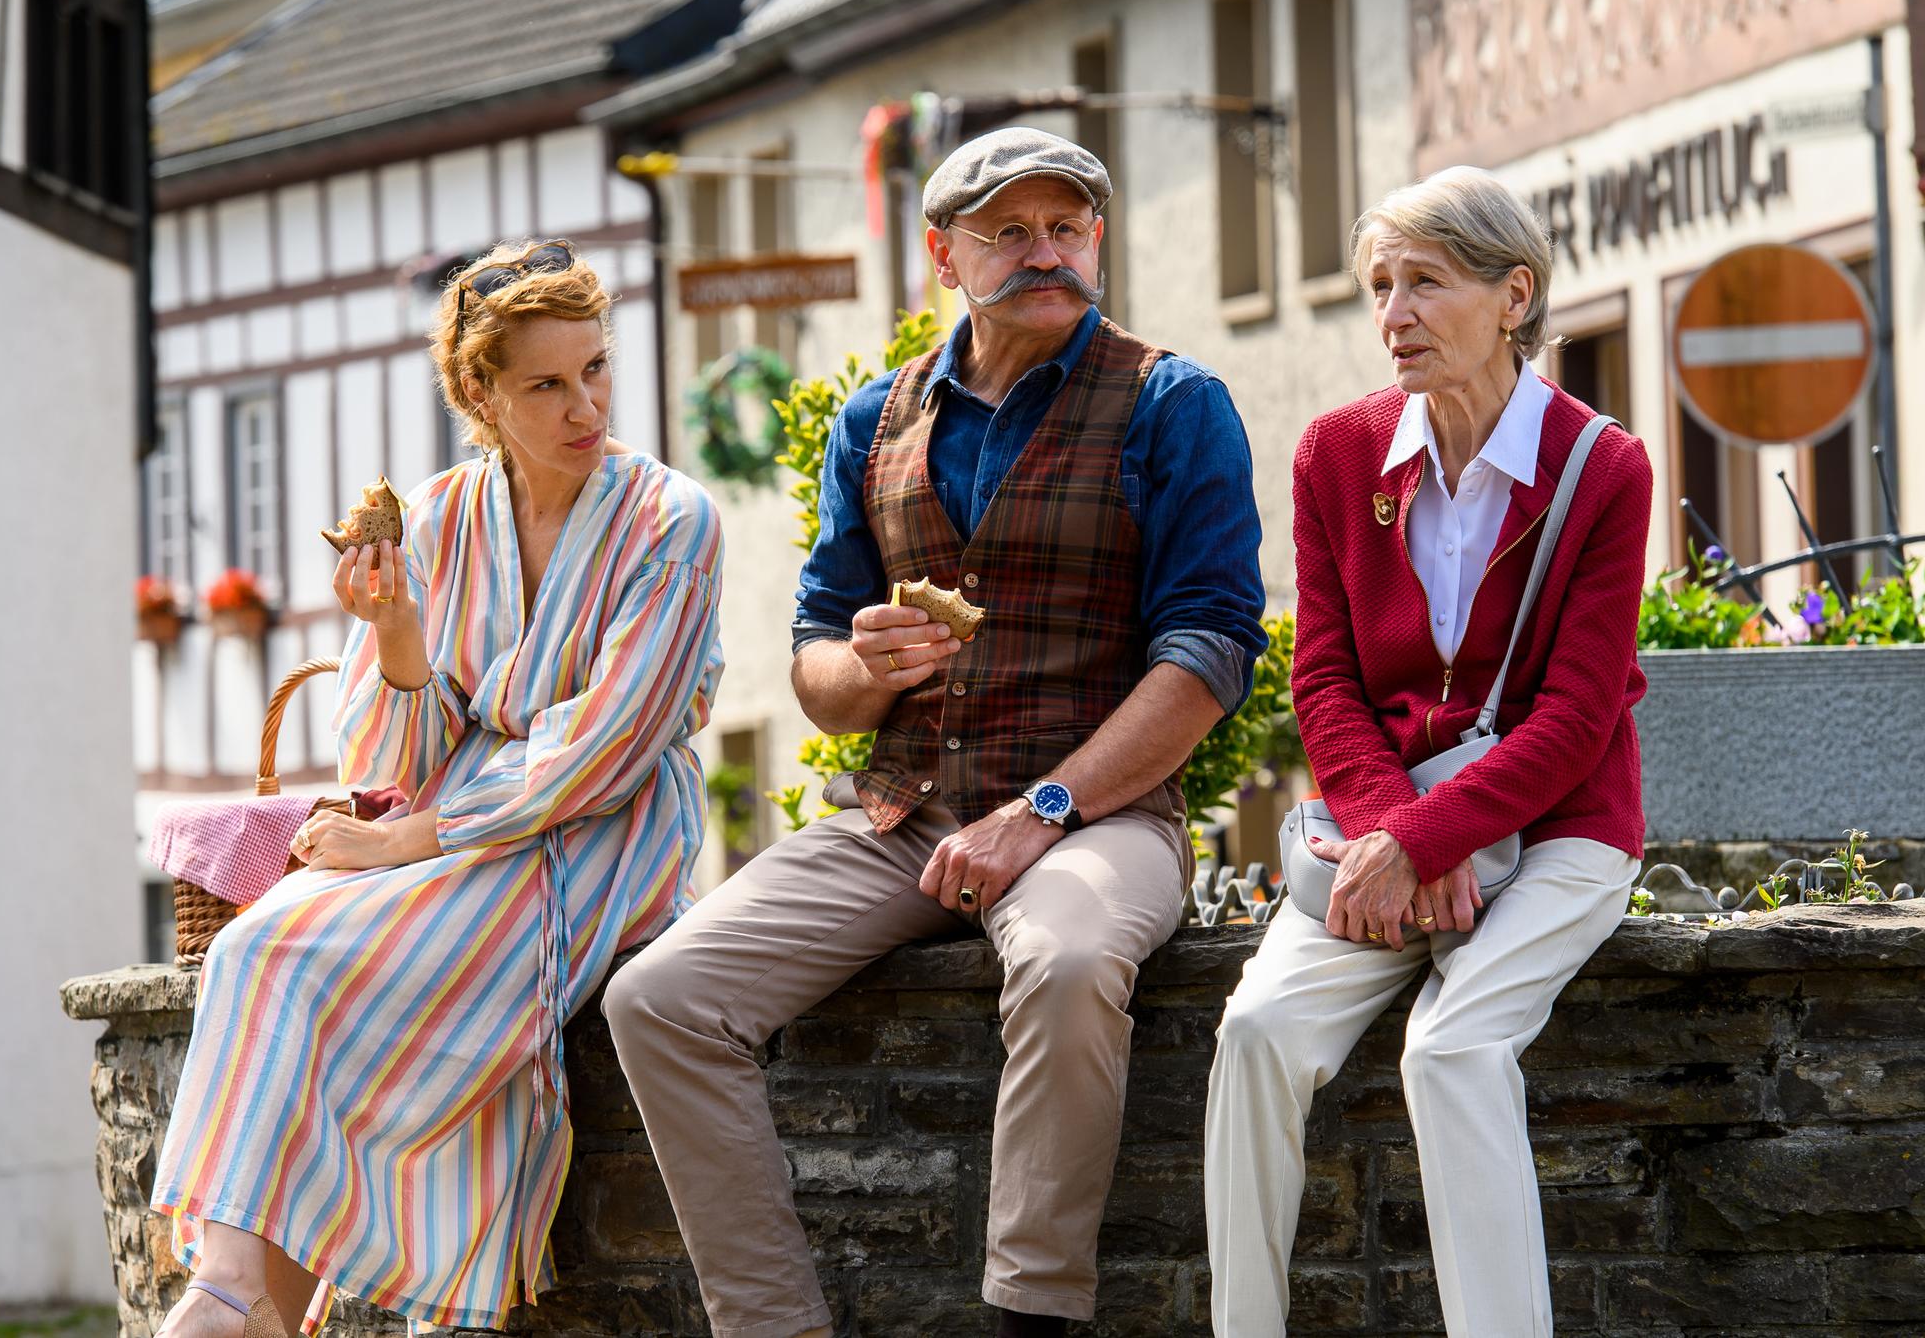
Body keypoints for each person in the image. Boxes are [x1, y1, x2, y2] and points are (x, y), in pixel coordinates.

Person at [603, 128, 1267, 1338]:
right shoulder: (876, 419)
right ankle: (771, 1323)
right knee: (661, 996)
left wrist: (1044, 812)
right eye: (1009, 232)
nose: (1044, 253)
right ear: (943, 256)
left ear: (1098, 240)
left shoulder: (1174, 403)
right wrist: (862, 670)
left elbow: (1211, 653)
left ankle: (1033, 1313)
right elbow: (813, 660)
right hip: (902, 815)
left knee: (1066, 965)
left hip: (1097, 819)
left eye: (1066, 228)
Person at [148, 240, 724, 1338]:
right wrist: (399, 634)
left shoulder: (669, 523)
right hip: (448, 815)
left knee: (317, 952)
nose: (585, 406)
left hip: (605, 830)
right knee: (253, 946)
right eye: (546, 384)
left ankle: (245, 1308)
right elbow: (394, 760)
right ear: (480, 392)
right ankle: (230, 1294)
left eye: (596, 369)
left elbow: (604, 752)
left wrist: (400, 845)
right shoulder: (444, 515)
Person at [1204, 168, 1652, 1336]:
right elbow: (1325, 679)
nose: (1394, 314)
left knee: (1452, 1049)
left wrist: (1423, 834)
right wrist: (1397, 830)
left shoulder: (1603, 466)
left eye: (1425, 284)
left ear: (1515, 295)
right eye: (1380, 286)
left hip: (1562, 831)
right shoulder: (1336, 455)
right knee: (1254, 1035)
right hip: (1382, 825)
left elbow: (1579, 711)